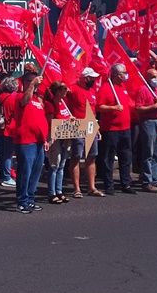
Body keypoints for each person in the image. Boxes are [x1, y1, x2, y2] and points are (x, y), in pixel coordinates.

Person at [96, 63, 135, 194]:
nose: (125, 75)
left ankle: (126, 183)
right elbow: (99, 107)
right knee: (109, 157)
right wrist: (113, 108)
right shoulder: (106, 88)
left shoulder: (122, 87)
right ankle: (108, 184)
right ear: (117, 75)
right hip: (111, 129)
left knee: (126, 156)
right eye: (124, 73)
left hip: (125, 128)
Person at [15, 72, 49, 212]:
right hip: (26, 142)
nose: (34, 83)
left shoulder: (37, 99)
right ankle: (22, 201)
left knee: (36, 172)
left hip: (39, 142)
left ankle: (30, 198)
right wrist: (33, 84)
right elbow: (24, 100)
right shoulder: (20, 96)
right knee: (25, 172)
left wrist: (45, 139)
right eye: (29, 80)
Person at [65, 68, 100, 197]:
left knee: (92, 157)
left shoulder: (92, 90)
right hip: (78, 126)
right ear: (85, 78)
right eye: (92, 78)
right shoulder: (73, 89)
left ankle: (92, 187)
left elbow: (94, 109)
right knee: (76, 157)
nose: (94, 80)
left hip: (91, 126)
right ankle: (77, 189)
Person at [134, 68, 157, 193]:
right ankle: (147, 181)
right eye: (153, 76)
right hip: (149, 122)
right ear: (147, 77)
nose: (156, 79)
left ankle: (155, 179)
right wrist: (153, 106)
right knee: (149, 152)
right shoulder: (143, 89)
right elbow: (138, 108)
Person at [43, 81, 75, 201]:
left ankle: (59, 190)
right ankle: (52, 192)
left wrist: (71, 120)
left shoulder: (64, 102)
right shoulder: (50, 104)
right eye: (63, 89)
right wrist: (65, 122)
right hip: (54, 137)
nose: (66, 91)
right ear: (57, 91)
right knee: (54, 164)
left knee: (62, 165)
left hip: (65, 137)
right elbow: (51, 122)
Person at [0, 77, 21, 188]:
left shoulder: (0, 97)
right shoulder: (14, 98)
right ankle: (6, 177)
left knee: (2, 154)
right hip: (9, 129)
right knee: (7, 155)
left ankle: (3, 175)